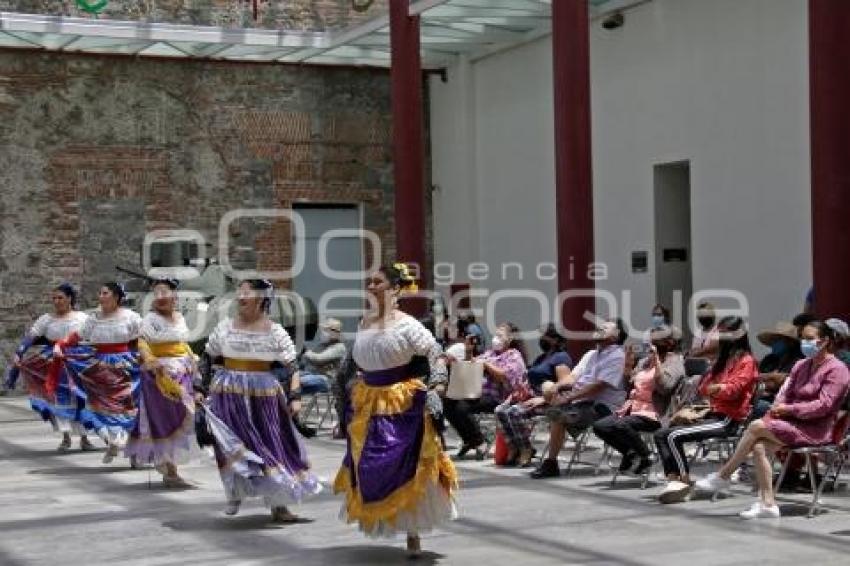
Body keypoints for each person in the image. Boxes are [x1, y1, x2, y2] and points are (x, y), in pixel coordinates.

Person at [333, 265, 457, 557]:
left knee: (406, 465)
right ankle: (384, 517)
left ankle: (413, 533)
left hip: (400, 402)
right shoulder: (364, 321)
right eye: (369, 282)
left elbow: (436, 353)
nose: (371, 287)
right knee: (367, 464)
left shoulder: (407, 324)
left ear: (395, 289)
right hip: (366, 401)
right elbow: (355, 361)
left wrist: (437, 389)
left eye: (378, 282)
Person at [696, 320, 850, 519]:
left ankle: (724, 475)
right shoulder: (801, 365)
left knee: (755, 426)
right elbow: (785, 394)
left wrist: (789, 409)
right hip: (791, 422)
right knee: (760, 446)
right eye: (803, 338)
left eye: (810, 339)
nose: (805, 343)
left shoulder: (838, 370)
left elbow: (824, 405)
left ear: (825, 341)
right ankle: (767, 503)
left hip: (817, 429)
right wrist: (777, 409)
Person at [204, 279, 320, 521]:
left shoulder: (275, 331)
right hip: (228, 394)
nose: (240, 297)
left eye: (246, 293)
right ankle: (235, 493)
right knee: (231, 445)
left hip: (263, 396)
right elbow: (207, 357)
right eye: (239, 292)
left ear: (261, 299)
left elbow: (292, 366)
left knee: (271, 445)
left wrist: (295, 396)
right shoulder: (225, 327)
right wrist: (198, 387)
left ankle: (279, 505)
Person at [654, 316, 758, 503]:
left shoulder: (746, 360)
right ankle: (674, 481)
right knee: (661, 434)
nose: (722, 337)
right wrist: (717, 388)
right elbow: (703, 387)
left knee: (672, 436)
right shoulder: (722, 360)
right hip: (711, 414)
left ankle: (683, 482)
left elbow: (734, 390)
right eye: (721, 333)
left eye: (727, 333)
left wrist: (718, 388)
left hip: (728, 420)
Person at [54, 282, 142, 464]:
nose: (100, 296)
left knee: (128, 408)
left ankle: (133, 451)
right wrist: (60, 345)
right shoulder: (94, 318)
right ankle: (113, 440)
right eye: (100, 293)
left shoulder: (130, 317)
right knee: (98, 407)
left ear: (116, 297)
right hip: (100, 365)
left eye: (105, 293)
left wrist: (146, 358)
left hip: (124, 365)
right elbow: (77, 336)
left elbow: (142, 339)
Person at [531, 319, 628, 479]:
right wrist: (554, 389)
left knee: (558, 414)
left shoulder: (618, 355)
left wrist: (568, 397)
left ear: (616, 335)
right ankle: (550, 461)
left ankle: (551, 462)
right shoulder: (591, 354)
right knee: (554, 410)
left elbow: (598, 386)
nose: (599, 327)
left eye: (606, 326)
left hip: (601, 406)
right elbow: (572, 378)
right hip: (581, 402)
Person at [125, 278, 199, 487]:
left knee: (188, 415)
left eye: (164, 292)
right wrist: (151, 362)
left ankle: (171, 465)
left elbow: (182, 343)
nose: (160, 297)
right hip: (160, 376)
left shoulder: (180, 318)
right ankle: (169, 469)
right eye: (156, 293)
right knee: (163, 419)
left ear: (174, 296)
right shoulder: (149, 320)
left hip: (182, 372)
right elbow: (141, 343)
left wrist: (192, 360)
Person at [593, 325, 685, 475]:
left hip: (655, 412)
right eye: (651, 340)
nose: (651, 344)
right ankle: (632, 453)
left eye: (657, 340)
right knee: (600, 426)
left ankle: (647, 456)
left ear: (670, 343)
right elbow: (627, 387)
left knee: (621, 425)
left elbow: (665, 388)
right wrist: (627, 368)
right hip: (634, 408)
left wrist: (657, 362)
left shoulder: (675, 362)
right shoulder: (645, 362)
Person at [11, 284, 92, 451]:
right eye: (54, 298)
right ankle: (66, 437)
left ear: (69, 298)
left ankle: (85, 438)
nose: (57, 301)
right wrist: (19, 353)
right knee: (57, 399)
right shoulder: (46, 319)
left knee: (80, 398)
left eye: (60, 298)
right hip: (53, 363)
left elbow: (94, 335)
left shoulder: (82, 318)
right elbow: (31, 337)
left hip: (75, 362)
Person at [443, 322, 529, 460]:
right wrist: (469, 351)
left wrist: (486, 365)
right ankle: (470, 439)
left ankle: (479, 441)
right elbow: (471, 365)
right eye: (496, 335)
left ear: (510, 338)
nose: (496, 338)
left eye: (500, 335)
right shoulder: (490, 353)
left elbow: (503, 376)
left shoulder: (514, 355)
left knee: (461, 407)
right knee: (447, 401)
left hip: (499, 397)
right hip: (478, 393)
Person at [753, 322, 803, 419]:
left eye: (779, 340)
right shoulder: (769, 360)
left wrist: (766, 378)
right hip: (760, 396)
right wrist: (771, 377)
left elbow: (783, 382)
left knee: (757, 406)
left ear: (790, 343)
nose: (774, 343)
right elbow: (754, 378)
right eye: (774, 340)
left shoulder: (798, 362)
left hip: (781, 405)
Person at [299, 318, 347, 396]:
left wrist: (305, 351)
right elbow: (308, 358)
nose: (322, 333)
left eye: (325, 330)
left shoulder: (339, 347)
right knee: (290, 376)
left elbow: (319, 359)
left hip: (329, 380)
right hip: (314, 375)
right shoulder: (322, 345)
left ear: (333, 332)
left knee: (299, 380)